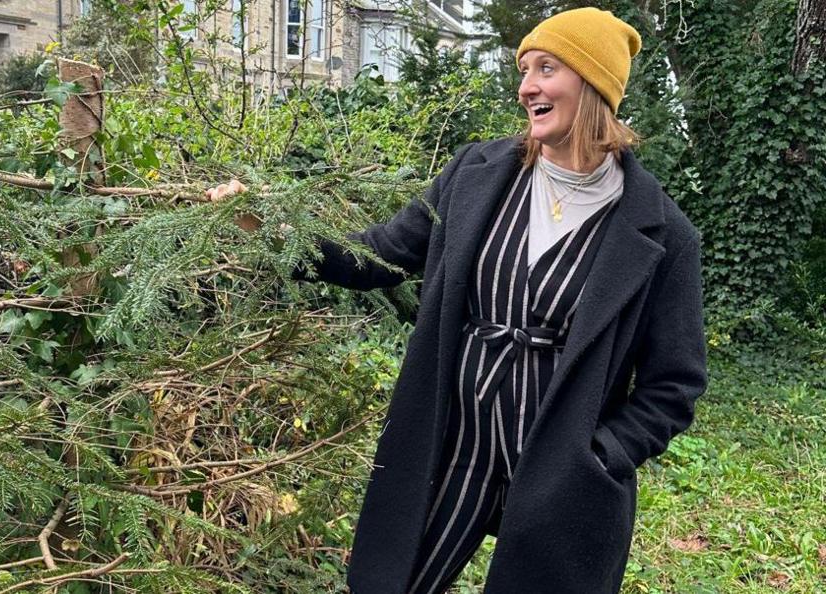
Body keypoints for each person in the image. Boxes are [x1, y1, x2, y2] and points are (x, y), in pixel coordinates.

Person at [208, 7, 707, 594]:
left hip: (559, 470)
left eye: (546, 68)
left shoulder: (661, 234)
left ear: (593, 84)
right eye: (524, 70)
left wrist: (600, 454)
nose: (527, 87)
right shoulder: (477, 174)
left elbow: (674, 384)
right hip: (452, 444)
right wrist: (272, 227)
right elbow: (379, 255)